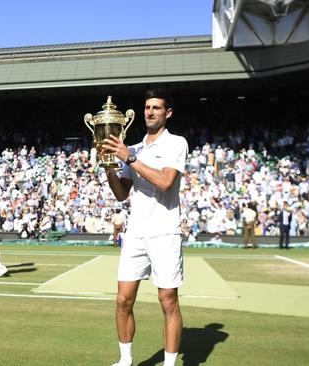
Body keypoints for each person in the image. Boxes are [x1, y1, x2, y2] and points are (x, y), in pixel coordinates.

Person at [102, 89, 188, 366]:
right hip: (136, 232)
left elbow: (165, 182)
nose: (150, 112)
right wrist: (107, 166)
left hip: (165, 232)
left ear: (168, 113)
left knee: (168, 301)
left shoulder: (176, 143)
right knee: (123, 300)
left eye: (156, 108)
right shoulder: (135, 148)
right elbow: (120, 194)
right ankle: (125, 360)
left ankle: (170, 364)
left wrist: (130, 159)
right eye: (147, 107)